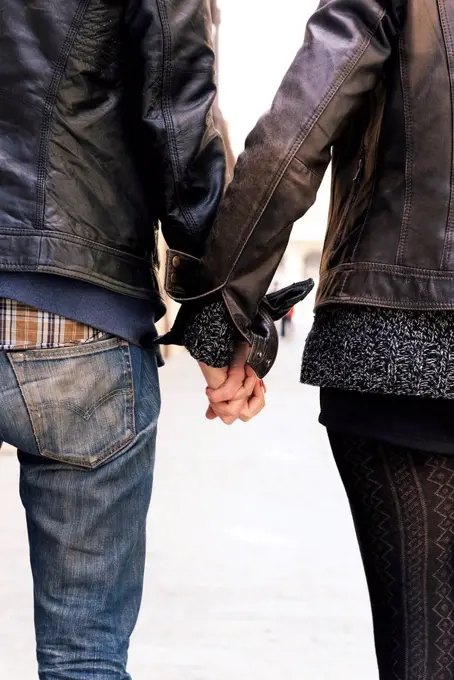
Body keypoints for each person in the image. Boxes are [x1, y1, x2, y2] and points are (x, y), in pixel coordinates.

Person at [165, 1, 454, 676]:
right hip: (400, 350)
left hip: (399, 348)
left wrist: (220, 317)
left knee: (427, 650)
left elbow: (296, 135)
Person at [0, 1, 269, 678]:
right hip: (75, 314)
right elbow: (178, 115)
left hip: (72, 297)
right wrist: (217, 319)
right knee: (83, 653)